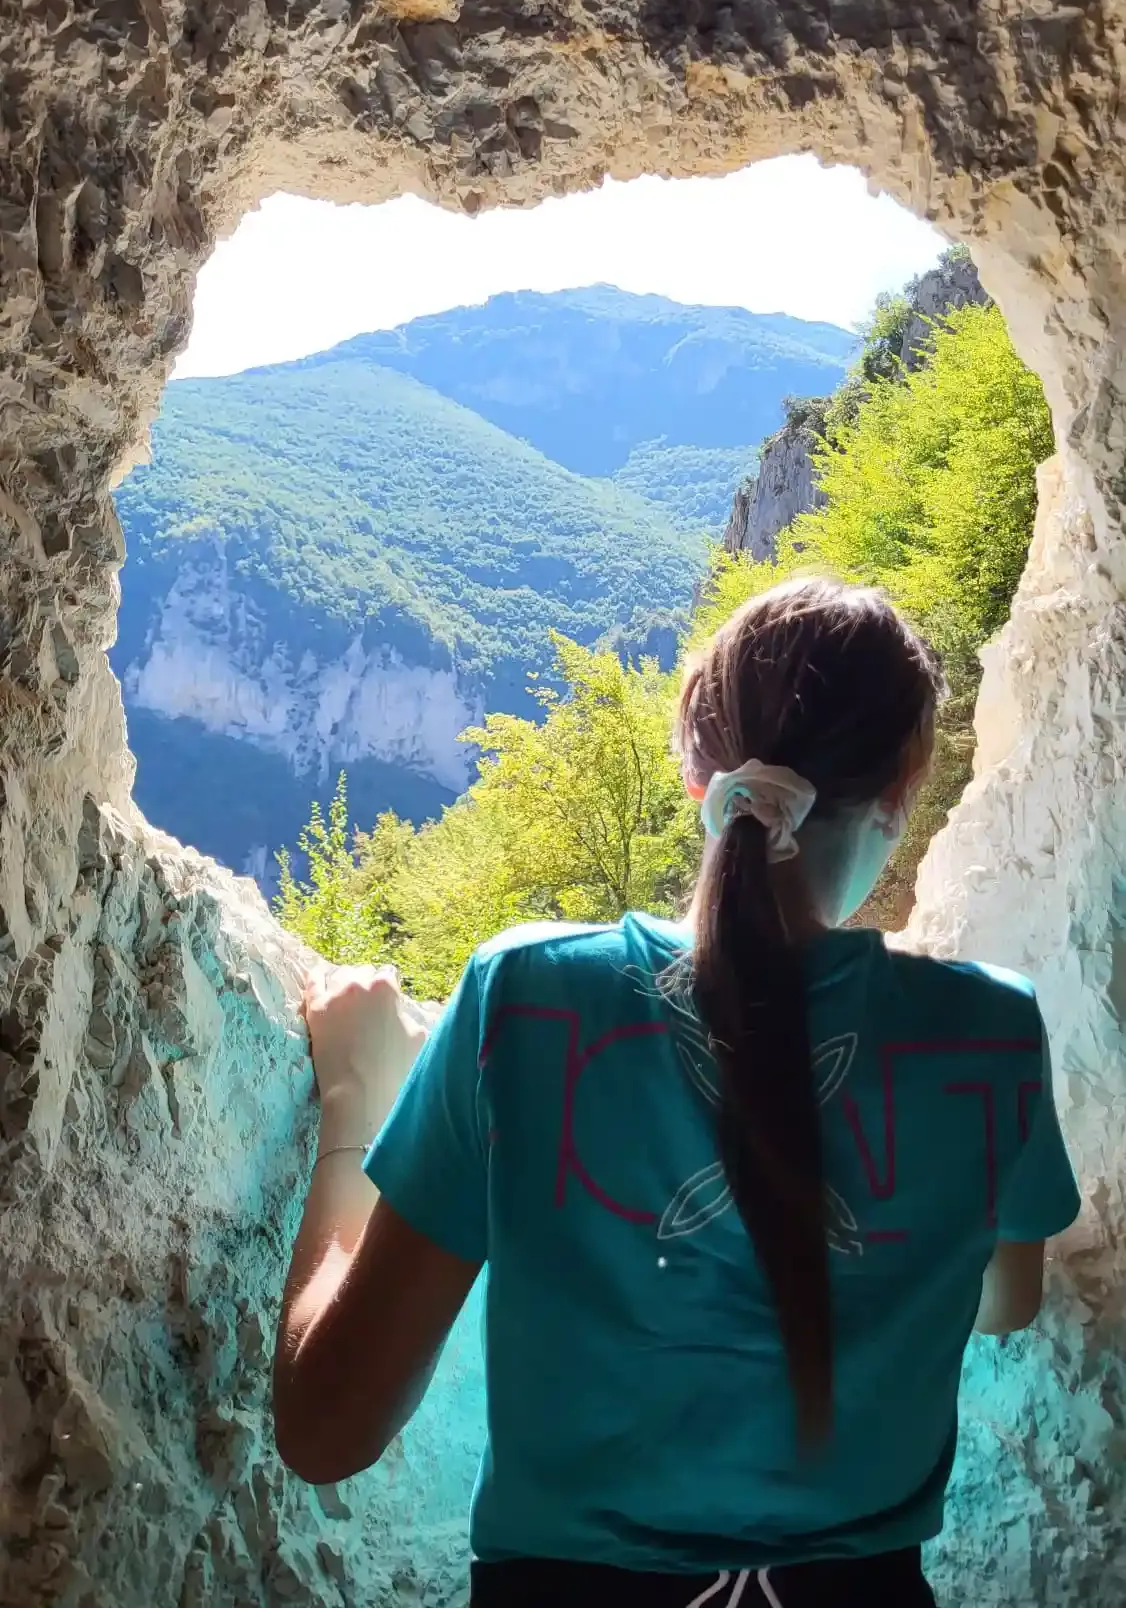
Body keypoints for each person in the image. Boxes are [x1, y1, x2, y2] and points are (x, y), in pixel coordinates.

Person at [273, 578, 1081, 1606]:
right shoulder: (988, 1031)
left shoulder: (528, 998)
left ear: (695, 767)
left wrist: (357, 1095)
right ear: (903, 784)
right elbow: (1004, 1302)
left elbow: (325, 1429)